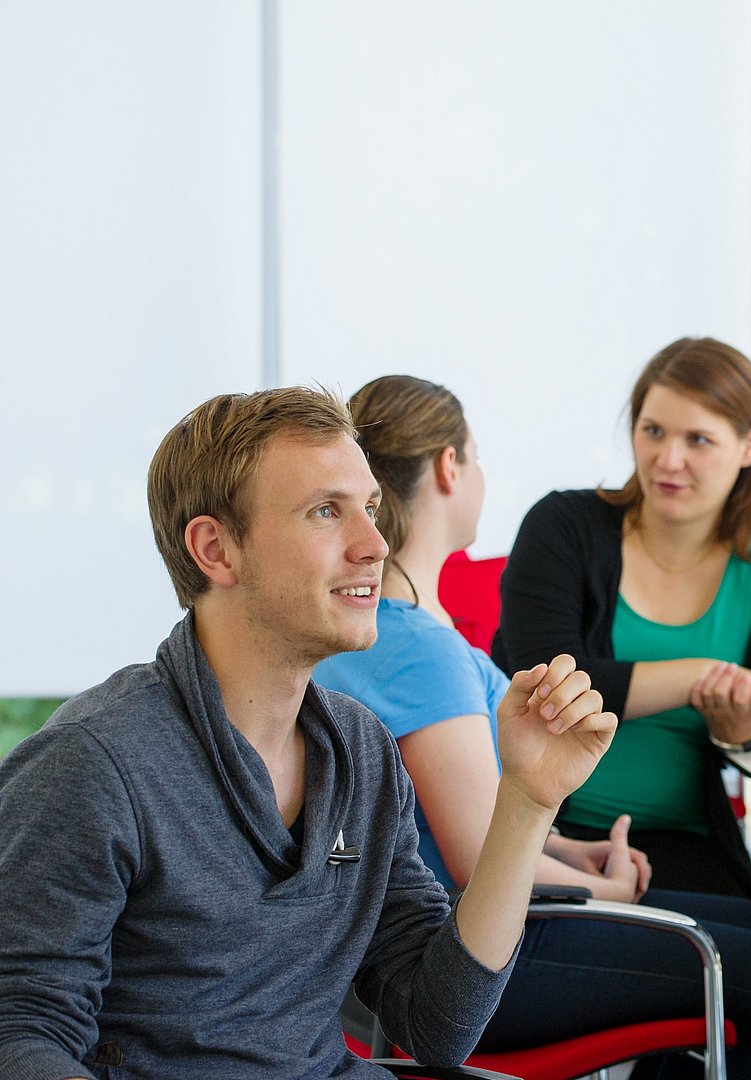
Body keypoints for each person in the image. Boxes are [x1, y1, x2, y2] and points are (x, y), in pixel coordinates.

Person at [0, 387, 615, 1079]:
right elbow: (20, 1035)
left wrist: (527, 801)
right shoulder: (92, 764)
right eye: (326, 511)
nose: (376, 545)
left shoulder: (361, 752)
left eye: (371, 509)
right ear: (216, 550)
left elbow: (437, 1025)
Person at [315, 374, 751, 1079]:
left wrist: (571, 851)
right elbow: (475, 857)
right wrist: (610, 891)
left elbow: (455, 816)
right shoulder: (421, 652)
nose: (669, 457)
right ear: (450, 467)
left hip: (472, 928)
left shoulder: (388, 632)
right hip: (487, 953)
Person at [492, 337, 751, 900]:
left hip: (690, 840)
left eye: (698, 439)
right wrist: (699, 678)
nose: (668, 460)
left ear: (750, 446)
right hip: (551, 837)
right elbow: (546, 681)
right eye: (653, 431)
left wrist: (734, 731)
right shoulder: (561, 525)